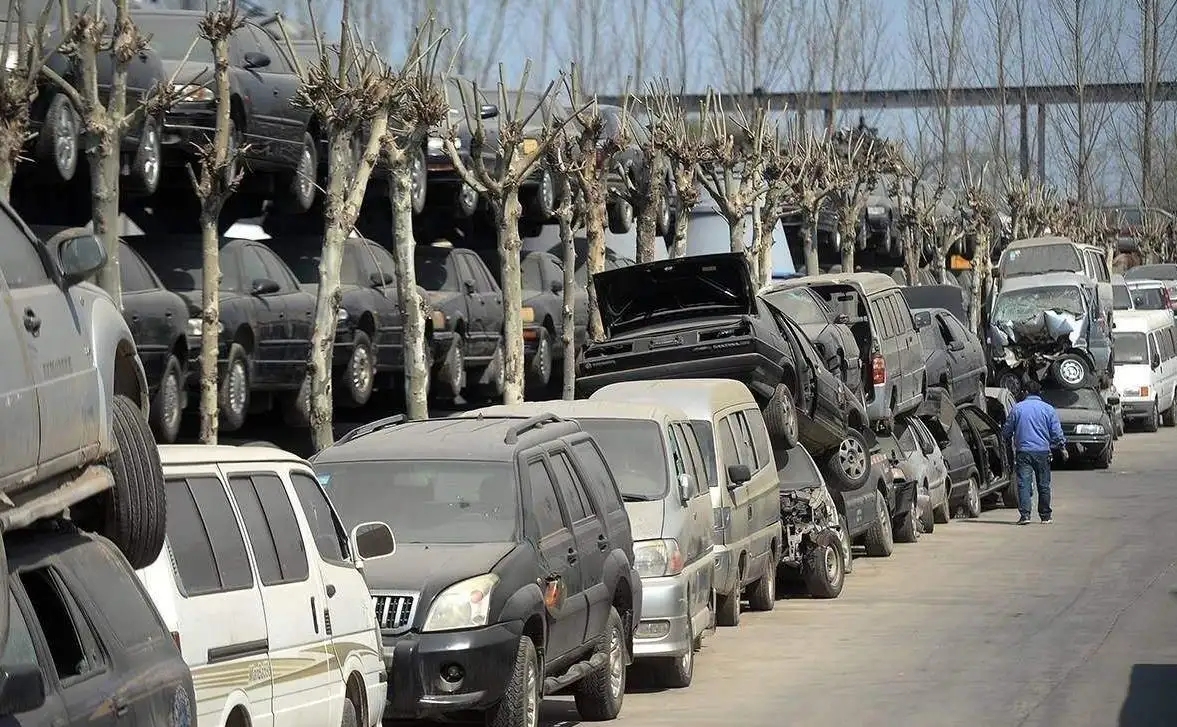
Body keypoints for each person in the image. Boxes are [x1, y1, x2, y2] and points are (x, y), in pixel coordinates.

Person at [1000, 380, 1066, 525]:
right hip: (1043, 452)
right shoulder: (1048, 409)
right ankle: (1045, 516)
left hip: (1023, 452)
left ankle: (1025, 516)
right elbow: (1056, 432)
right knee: (1044, 485)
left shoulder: (1017, 408)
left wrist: (1005, 440)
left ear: (1025, 392)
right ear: (1039, 392)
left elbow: (1007, 430)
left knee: (1023, 484)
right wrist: (1062, 447)